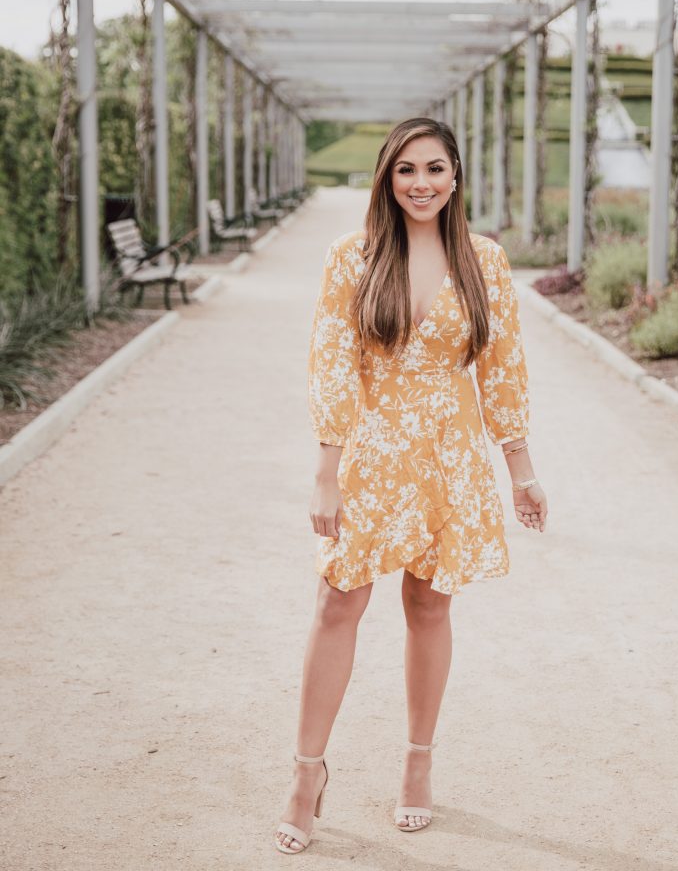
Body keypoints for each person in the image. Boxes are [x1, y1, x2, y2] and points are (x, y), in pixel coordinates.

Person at [274, 117, 548, 855]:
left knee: (428, 604)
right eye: (405, 170)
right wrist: (324, 475)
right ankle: (306, 774)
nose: (420, 183)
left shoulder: (483, 260)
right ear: (386, 178)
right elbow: (330, 363)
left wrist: (519, 468)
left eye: (434, 168)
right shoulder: (352, 256)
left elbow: (502, 366)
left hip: (450, 457)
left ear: (455, 175)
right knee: (338, 601)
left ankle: (417, 764)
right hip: (373, 451)